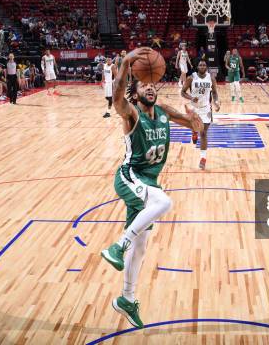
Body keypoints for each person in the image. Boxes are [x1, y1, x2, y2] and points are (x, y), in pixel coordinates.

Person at [100, 48, 203, 328]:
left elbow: (197, 126)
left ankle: (127, 298)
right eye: (143, 84)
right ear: (136, 91)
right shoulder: (131, 114)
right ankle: (118, 246)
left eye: (151, 84)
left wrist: (197, 122)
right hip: (129, 176)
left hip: (148, 183)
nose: (149, 87)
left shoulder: (163, 112)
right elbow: (118, 97)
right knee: (164, 203)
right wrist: (125, 62)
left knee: (142, 248)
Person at [181, 60, 220, 170]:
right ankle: (194, 131)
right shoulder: (191, 78)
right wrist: (191, 98)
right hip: (194, 108)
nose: (202, 66)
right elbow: (182, 92)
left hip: (206, 109)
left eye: (204, 65)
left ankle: (203, 158)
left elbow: (215, 92)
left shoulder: (211, 78)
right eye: (200, 65)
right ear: (197, 67)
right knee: (195, 127)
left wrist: (216, 102)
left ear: (206, 67)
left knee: (203, 133)